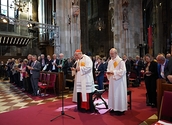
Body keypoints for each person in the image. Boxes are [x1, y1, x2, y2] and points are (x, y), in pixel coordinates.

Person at [106, 48, 127, 116]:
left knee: (119, 94)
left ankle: (120, 109)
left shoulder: (120, 61)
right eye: (110, 54)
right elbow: (108, 69)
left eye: (112, 54)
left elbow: (123, 71)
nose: (111, 55)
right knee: (113, 94)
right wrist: (108, 72)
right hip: (112, 81)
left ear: (116, 53)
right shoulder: (110, 61)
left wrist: (113, 72)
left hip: (119, 82)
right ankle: (113, 108)